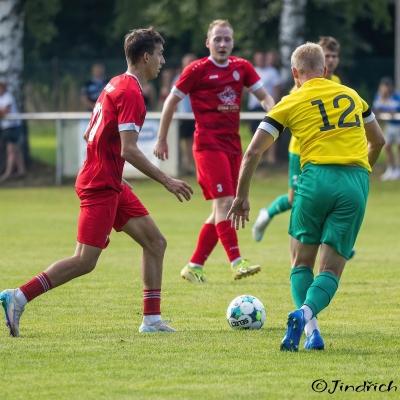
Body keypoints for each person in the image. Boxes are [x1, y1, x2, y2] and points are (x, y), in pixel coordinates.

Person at [0, 27, 193, 337]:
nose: (162, 60)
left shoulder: (115, 83)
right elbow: (129, 149)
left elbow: (91, 134)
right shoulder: (131, 93)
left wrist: (113, 170)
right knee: (85, 260)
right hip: (100, 185)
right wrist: (166, 180)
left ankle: (152, 320)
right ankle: (19, 296)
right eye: (160, 54)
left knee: (155, 242)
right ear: (146, 57)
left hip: (109, 181)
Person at [227, 42, 385, 351]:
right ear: (325, 70)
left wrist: (242, 196)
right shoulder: (352, 96)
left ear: (294, 73)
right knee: (331, 270)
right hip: (354, 181)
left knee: (301, 263)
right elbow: (378, 141)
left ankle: (311, 331)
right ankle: (306, 315)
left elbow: (253, 152)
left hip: (315, 181)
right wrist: (361, 174)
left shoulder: (290, 101)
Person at [154, 19, 275, 283]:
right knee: (225, 203)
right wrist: (162, 138)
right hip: (208, 146)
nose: (222, 43)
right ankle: (237, 261)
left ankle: (194, 266)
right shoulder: (196, 69)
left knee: (219, 210)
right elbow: (171, 101)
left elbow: (265, 97)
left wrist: (275, 113)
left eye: (227, 39)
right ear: (207, 42)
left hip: (233, 146)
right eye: (217, 39)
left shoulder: (242, 67)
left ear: (233, 42)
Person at [252, 36, 341, 242]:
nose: (331, 60)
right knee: (295, 199)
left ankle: (331, 237)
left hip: (325, 150)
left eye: (334, 56)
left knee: (326, 194)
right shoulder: (300, 86)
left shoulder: (336, 82)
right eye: (327, 56)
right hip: (300, 150)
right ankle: (268, 214)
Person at [373, 77, 400, 180]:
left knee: (399, 147)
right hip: (389, 125)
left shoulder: (396, 96)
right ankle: (390, 169)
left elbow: (395, 109)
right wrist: (383, 99)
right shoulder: (379, 96)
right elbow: (376, 109)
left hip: (398, 125)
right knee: (387, 147)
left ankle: (397, 170)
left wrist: (386, 104)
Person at [174, 53, 197, 175]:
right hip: (183, 116)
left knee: (193, 142)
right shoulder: (179, 78)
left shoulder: (200, 77)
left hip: (197, 116)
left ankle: (192, 166)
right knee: (186, 142)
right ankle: (188, 166)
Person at [0, 80, 26, 183]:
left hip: (13, 127)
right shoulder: (2, 98)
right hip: (6, 127)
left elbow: (5, 111)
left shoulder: (8, 97)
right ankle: (21, 170)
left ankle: (8, 173)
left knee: (11, 150)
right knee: (16, 149)